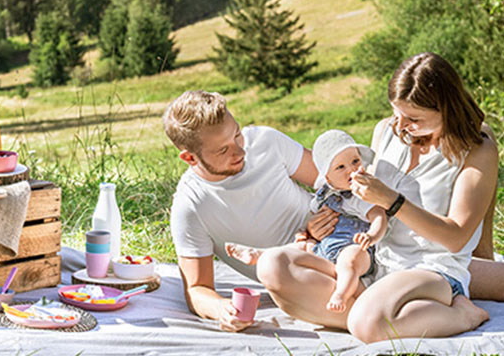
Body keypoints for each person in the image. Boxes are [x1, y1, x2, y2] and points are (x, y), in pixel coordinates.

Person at [252, 52, 497, 342]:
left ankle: (461, 314)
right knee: (273, 265)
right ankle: (392, 314)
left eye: (414, 118)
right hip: (376, 259)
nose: (401, 125)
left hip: (432, 268)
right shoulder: (386, 130)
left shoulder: (477, 149)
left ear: (447, 108)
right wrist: (319, 228)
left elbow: (456, 237)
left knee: (366, 323)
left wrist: (393, 201)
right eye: (397, 113)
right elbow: (365, 205)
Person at [162, 90, 327, 332]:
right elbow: (197, 289)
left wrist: (324, 222)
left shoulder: (266, 141)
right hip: (299, 279)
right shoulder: (191, 205)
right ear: (189, 158)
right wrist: (222, 309)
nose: (240, 151)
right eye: (222, 150)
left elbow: (335, 181)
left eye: (237, 135)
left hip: (346, 235)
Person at [226, 129, 388, 313]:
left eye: (355, 161)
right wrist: (305, 234)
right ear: (327, 178)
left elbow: (379, 215)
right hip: (326, 247)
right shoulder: (323, 197)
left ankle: (342, 294)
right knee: (300, 248)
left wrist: (371, 236)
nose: (351, 170)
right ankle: (261, 255)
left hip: (356, 247)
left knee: (348, 262)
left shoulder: (360, 194)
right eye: (340, 167)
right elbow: (312, 220)